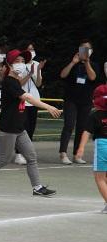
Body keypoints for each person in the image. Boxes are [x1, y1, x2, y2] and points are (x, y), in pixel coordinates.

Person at [0, 49, 62, 197]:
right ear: (9, 65)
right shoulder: (9, 82)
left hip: (18, 127)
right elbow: (29, 98)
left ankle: (37, 187)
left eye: (22, 61)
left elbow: (6, 104)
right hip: (8, 128)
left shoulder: (16, 82)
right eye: (17, 62)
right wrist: (48, 106)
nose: (21, 64)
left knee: (31, 156)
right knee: (3, 159)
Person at [59, 39, 99, 164]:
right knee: (69, 125)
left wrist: (87, 62)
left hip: (86, 100)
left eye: (88, 49)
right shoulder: (73, 62)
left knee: (81, 127)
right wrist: (72, 62)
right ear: (79, 50)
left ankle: (77, 154)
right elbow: (63, 75)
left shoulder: (94, 65)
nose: (85, 51)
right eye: (83, 48)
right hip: (71, 99)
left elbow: (92, 77)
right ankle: (63, 153)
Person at [76, 84, 107, 213]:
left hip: (102, 146)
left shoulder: (95, 115)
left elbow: (86, 132)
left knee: (99, 177)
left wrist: (81, 148)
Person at [19, 41, 46, 141]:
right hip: (22, 99)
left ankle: (27, 149)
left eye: (32, 49)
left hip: (34, 99)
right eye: (29, 49)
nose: (31, 51)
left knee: (31, 126)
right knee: (23, 125)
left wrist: (38, 70)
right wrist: (29, 74)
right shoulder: (19, 64)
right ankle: (19, 152)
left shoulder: (36, 64)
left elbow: (38, 84)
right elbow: (18, 84)